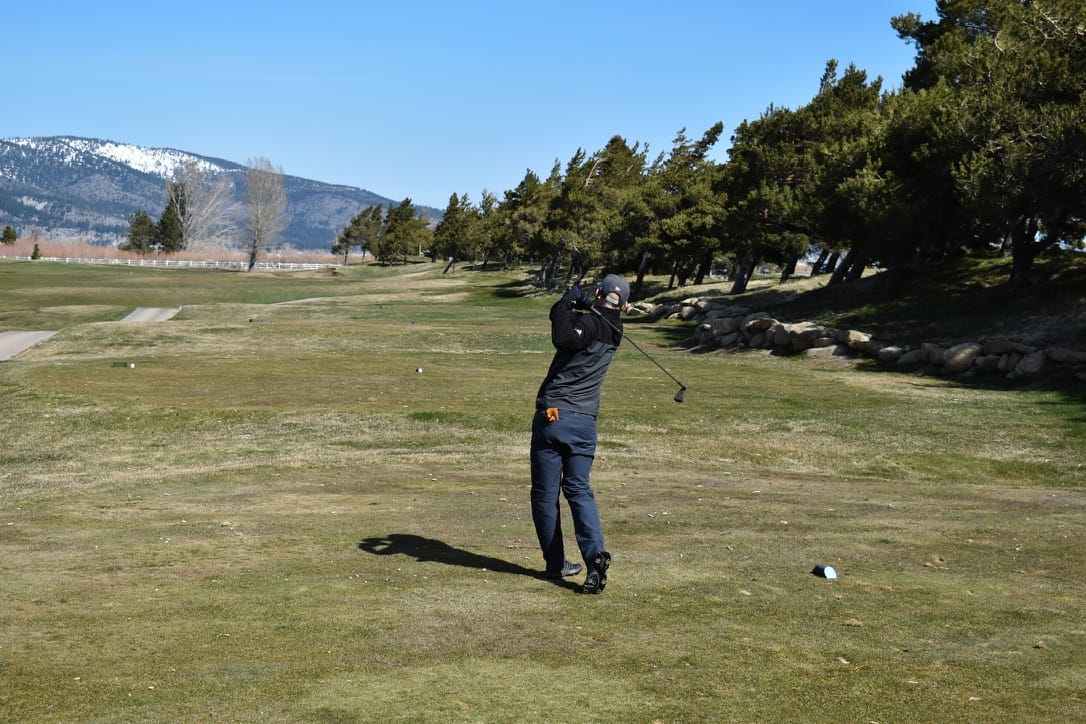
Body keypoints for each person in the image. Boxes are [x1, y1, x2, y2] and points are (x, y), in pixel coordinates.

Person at [530, 273, 629, 594]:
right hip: (585, 423)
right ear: (624, 305)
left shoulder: (588, 325)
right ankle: (594, 556)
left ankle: (556, 563)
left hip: (554, 416)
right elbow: (570, 324)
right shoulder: (615, 328)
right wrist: (573, 306)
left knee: (546, 495)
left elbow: (563, 336)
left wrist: (568, 300)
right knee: (578, 490)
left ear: (598, 293)